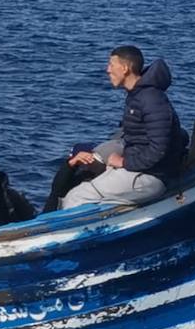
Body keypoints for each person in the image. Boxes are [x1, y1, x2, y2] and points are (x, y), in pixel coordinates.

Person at [61, 46, 188, 209]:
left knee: (76, 197)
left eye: (111, 64)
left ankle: (81, 233)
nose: (107, 70)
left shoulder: (151, 100)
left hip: (150, 177)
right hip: (140, 172)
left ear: (125, 68)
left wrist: (125, 162)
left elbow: (159, 149)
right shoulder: (137, 96)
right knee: (84, 182)